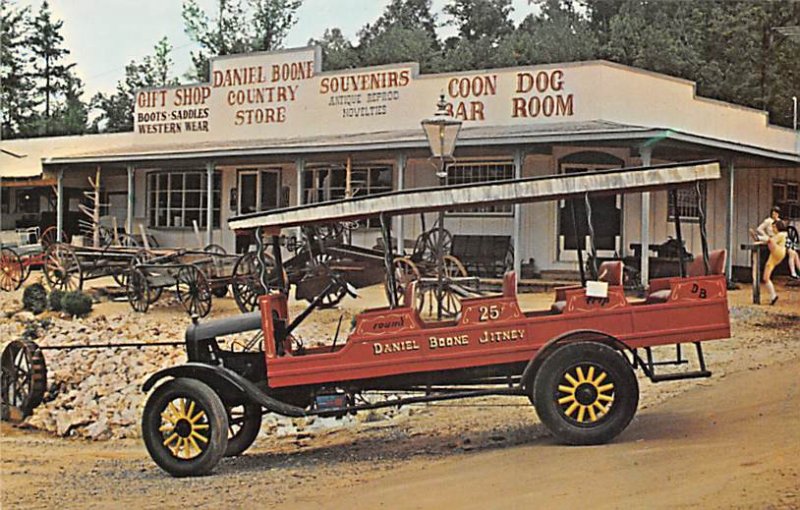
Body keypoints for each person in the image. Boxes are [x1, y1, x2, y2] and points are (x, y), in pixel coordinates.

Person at [751, 206, 799, 279]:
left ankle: (794, 272)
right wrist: (765, 235)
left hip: (781, 240)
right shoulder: (768, 221)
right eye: (773, 213)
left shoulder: (779, 221)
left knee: (793, 254)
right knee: (769, 240)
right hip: (773, 239)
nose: (775, 215)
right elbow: (759, 229)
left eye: (776, 213)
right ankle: (793, 273)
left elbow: (784, 231)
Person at [763, 220, 788, 305]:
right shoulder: (779, 235)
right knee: (766, 277)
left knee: (770, 241)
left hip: (778, 251)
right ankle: (773, 296)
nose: (773, 228)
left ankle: (773, 295)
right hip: (774, 255)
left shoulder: (781, 234)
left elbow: (771, 240)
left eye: (774, 227)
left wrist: (762, 238)